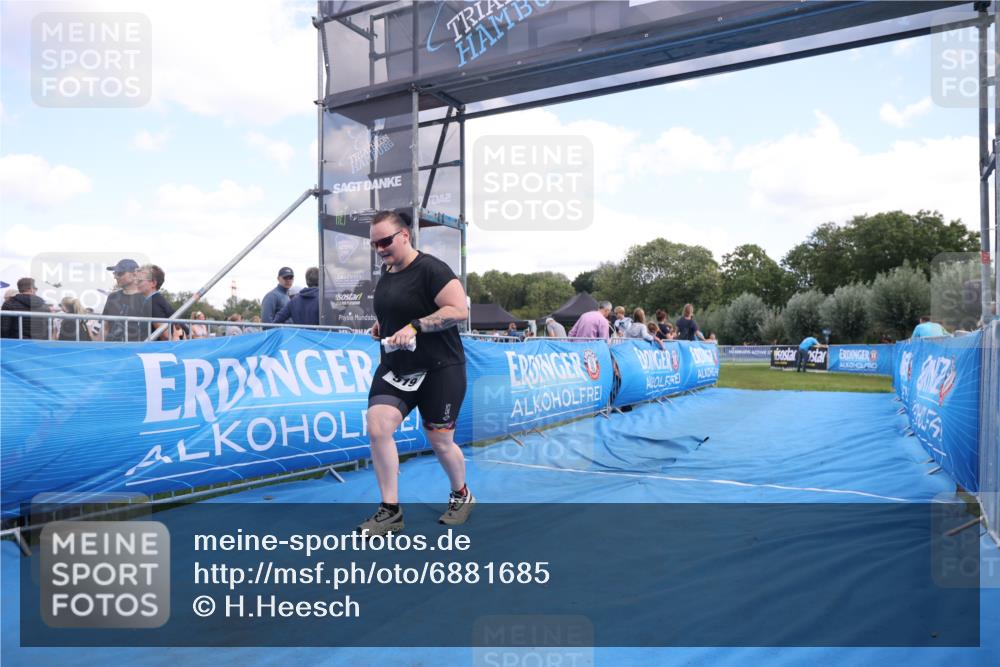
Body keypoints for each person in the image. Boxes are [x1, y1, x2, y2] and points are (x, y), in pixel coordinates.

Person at [360, 210, 472, 536]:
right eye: (374, 244)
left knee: (440, 441)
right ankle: (390, 511)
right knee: (378, 425)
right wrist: (382, 325)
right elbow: (399, 306)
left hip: (440, 368)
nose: (380, 249)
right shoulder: (387, 271)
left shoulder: (432, 269)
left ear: (405, 235)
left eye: (385, 241)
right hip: (398, 367)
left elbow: (458, 310)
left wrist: (415, 326)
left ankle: (461, 494)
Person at [137, 264, 188, 340]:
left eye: (140, 281)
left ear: (153, 283)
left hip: (159, 347)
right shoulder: (158, 300)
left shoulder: (152, 303)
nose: (136, 283)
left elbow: (165, 335)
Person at [102, 259, 144, 341]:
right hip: (111, 347)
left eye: (119, 273)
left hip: (135, 348)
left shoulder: (147, 299)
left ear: (134, 275)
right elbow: (105, 327)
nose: (115, 277)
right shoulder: (112, 297)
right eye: (114, 273)